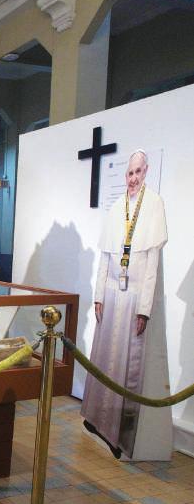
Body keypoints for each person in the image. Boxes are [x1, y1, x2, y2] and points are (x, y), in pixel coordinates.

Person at [81, 150, 168, 459]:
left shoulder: (154, 204)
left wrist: (144, 308)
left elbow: (152, 263)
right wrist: (98, 296)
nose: (133, 179)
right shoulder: (118, 207)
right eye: (129, 173)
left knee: (126, 364)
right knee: (104, 358)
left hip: (134, 298)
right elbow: (105, 257)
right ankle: (96, 419)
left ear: (146, 172)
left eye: (138, 172)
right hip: (111, 294)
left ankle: (118, 433)